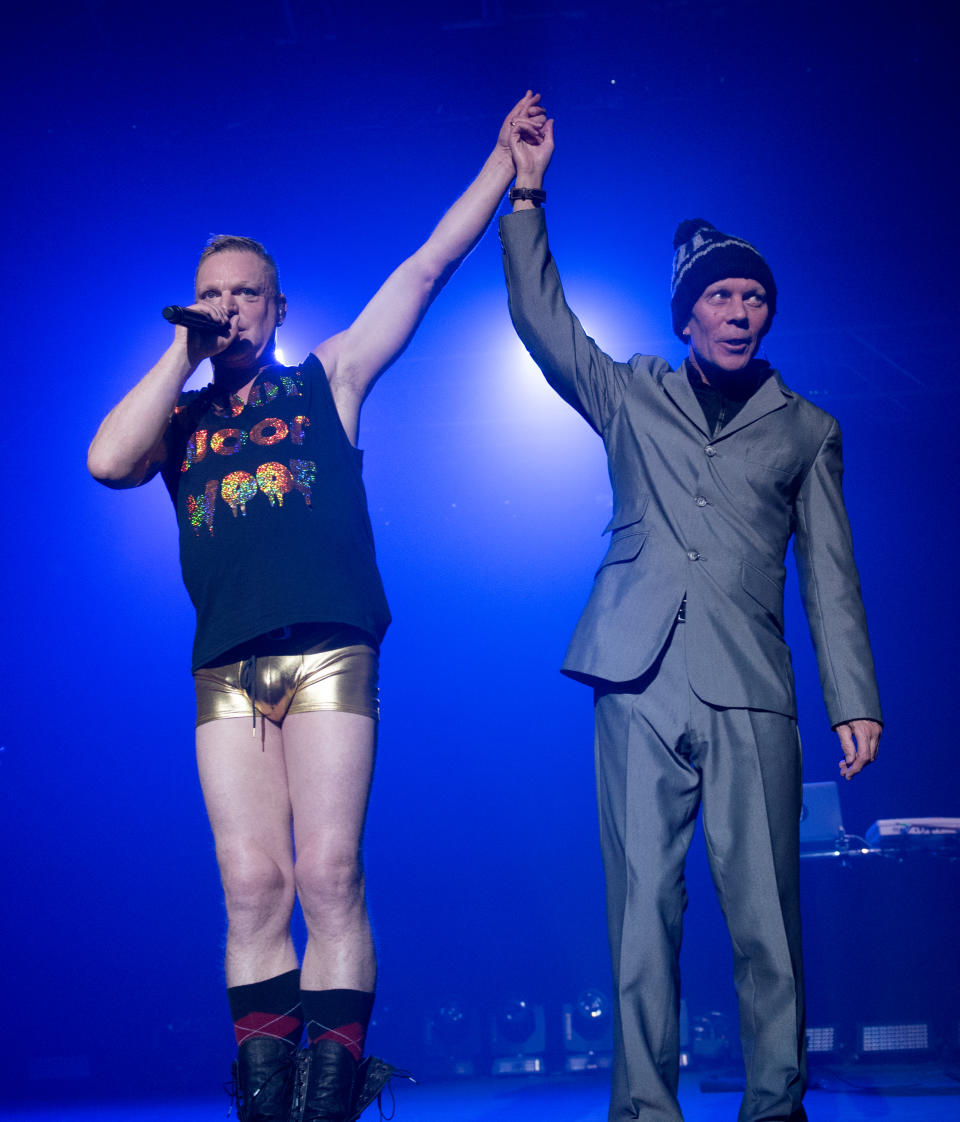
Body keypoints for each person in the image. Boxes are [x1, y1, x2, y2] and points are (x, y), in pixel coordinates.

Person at [87, 91, 547, 1122]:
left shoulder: (327, 380)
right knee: (253, 888)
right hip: (227, 671)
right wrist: (183, 350)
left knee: (329, 873)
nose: (231, 307)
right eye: (213, 293)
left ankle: (331, 1106)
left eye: (248, 294)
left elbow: (424, 269)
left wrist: (501, 163)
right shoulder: (183, 414)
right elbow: (107, 459)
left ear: (280, 307)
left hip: (331, 652)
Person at [500, 118, 882, 1122]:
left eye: (757, 297)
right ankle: (643, 1110)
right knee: (641, 919)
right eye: (723, 295)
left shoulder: (806, 427)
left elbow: (831, 576)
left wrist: (855, 700)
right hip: (635, 675)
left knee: (767, 921)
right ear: (687, 313)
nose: (742, 311)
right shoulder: (631, 393)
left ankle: (775, 1105)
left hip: (752, 688)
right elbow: (546, 325)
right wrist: (528, 199)